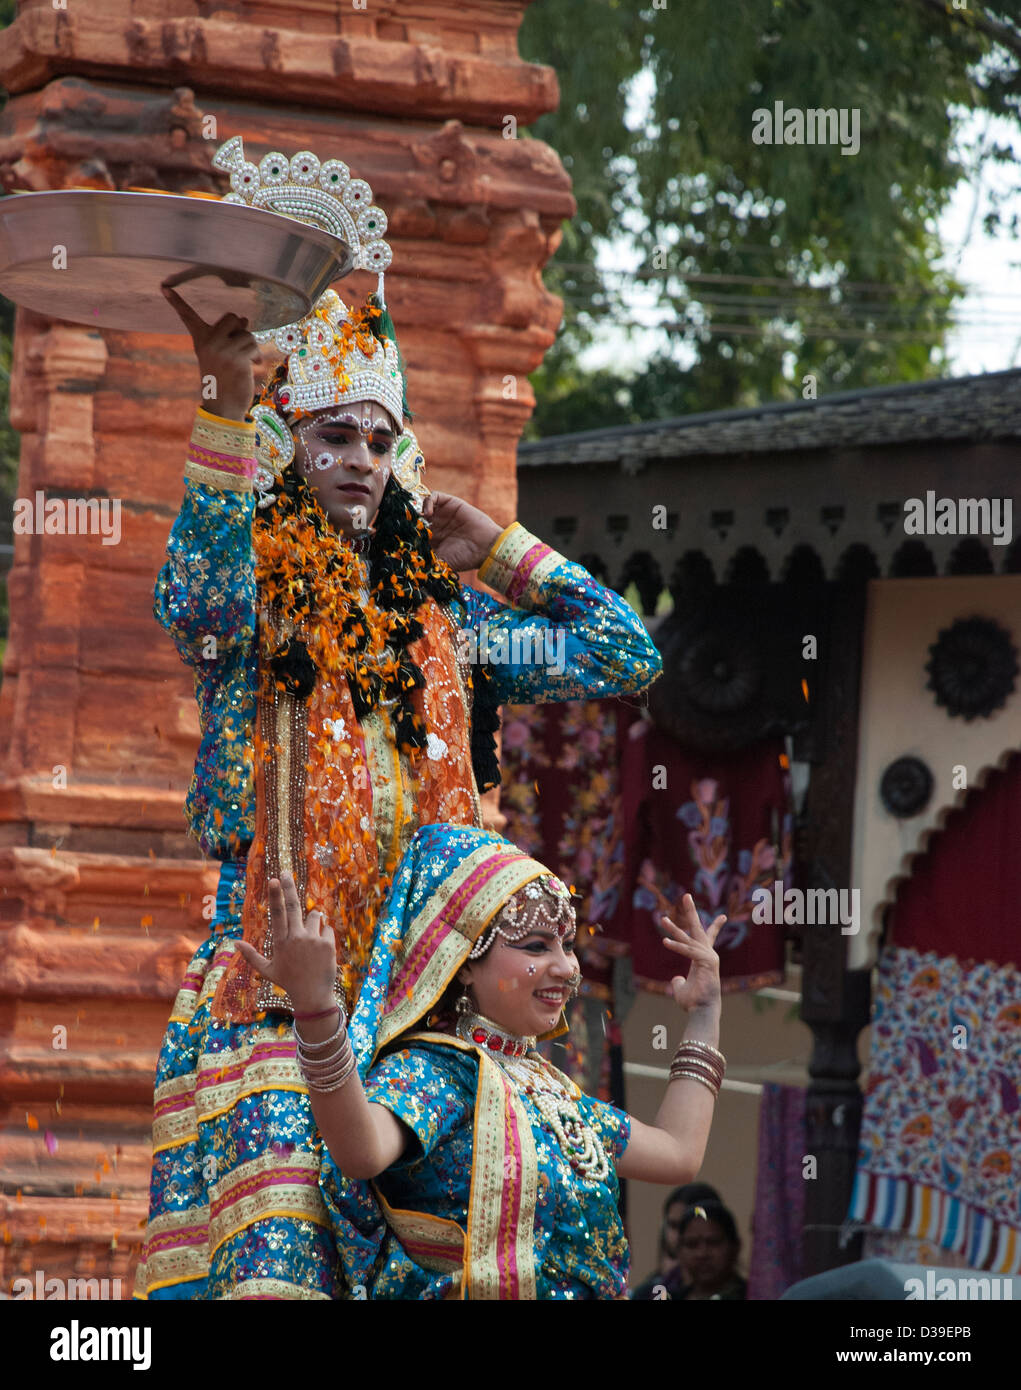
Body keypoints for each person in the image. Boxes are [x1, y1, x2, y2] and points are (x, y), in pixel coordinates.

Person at [134, 140, 662, 1301]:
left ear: (406, 455)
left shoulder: (453, 633)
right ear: (290, 447)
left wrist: (510, 556)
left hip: (429, 1021)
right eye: (333, 436)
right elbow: (195, 601)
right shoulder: (265, 599)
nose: (359, 461)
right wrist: (224, 399)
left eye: (379, 440)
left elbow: (625, 652)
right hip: (281, 997)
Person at [232, 821, 727, 1299]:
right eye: (536, 945)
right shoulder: (439, 1071)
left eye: (567, 945)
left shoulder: (552, 1092)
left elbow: (678, 1153)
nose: (566, 966)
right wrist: (317, 1011)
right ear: (464, 961)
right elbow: (359, 1151)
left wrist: (705, 1014)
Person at [630, 1181, 722, 1299]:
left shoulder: (740, 1292)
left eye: (687, 1226)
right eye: (673, 1225)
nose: (679, 1235)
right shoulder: (648, 1293)